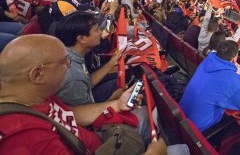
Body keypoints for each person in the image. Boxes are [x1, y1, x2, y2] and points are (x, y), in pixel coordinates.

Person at [0, 35, 166, 154]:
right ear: (37, 75)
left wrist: (116, 104)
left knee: (148, 114)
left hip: (97, 139)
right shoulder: (25, 137)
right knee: (180, 149)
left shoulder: (33, 96)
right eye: (65, 62)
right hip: (98, 145)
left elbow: (69, 114)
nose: (69, 66)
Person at [180, 40, 240, 132]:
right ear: (234, 58)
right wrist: (238, 76)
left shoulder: (207, 61)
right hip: (198, 131)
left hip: (182, 116)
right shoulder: (232, 79)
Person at [54, 11, 121, 106]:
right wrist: (114, 100)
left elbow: (87, 81)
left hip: (87, 97)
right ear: (81, 39)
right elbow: (83, 115)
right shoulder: (73, 75)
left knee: (117, 80)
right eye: (97, 30)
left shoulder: (72, 54)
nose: (101, 32)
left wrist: (111, 63)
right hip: (84, 113)